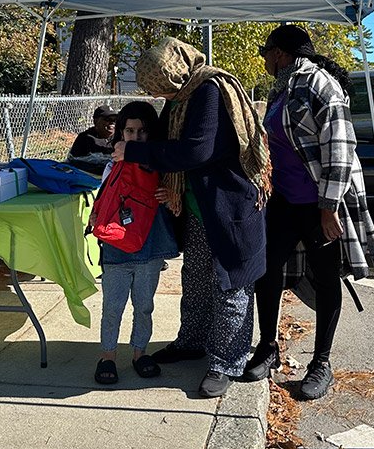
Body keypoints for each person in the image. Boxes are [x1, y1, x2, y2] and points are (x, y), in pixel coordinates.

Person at [112, 37, 270, 399]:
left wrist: (133, 150)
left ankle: (226, 362)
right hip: (199, 207)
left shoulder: (209, 90)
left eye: (163, 88)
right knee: (196, 278)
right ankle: (192, 342)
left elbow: (196, 150)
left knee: (232, 283)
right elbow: (165, 139)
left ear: (175, 72)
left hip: (231, 205)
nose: (163, 96)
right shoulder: (183, 96)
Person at [244, 25, 374, 400]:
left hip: (319, 202)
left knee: (326, 278)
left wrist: (329, 208)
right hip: (285, 200)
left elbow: (340, 148)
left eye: (266, 51)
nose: (263, 58)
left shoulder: (320, 85)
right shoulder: (284, 87)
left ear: (281, 52)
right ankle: (268, 347)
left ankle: (321, 362)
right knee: (267, 269)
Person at [90, 102, 178, 386]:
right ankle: (108, 355)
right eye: (130, 130)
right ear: (120, 134)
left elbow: (174, 201)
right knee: (112, 306)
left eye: (142, 131)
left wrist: (169, 194)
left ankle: (140, 352)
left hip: (149, 249)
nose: (136, 136)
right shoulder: (112, 166)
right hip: (117, 249)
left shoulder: (162, 167)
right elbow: (104, 200)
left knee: (144, 305)